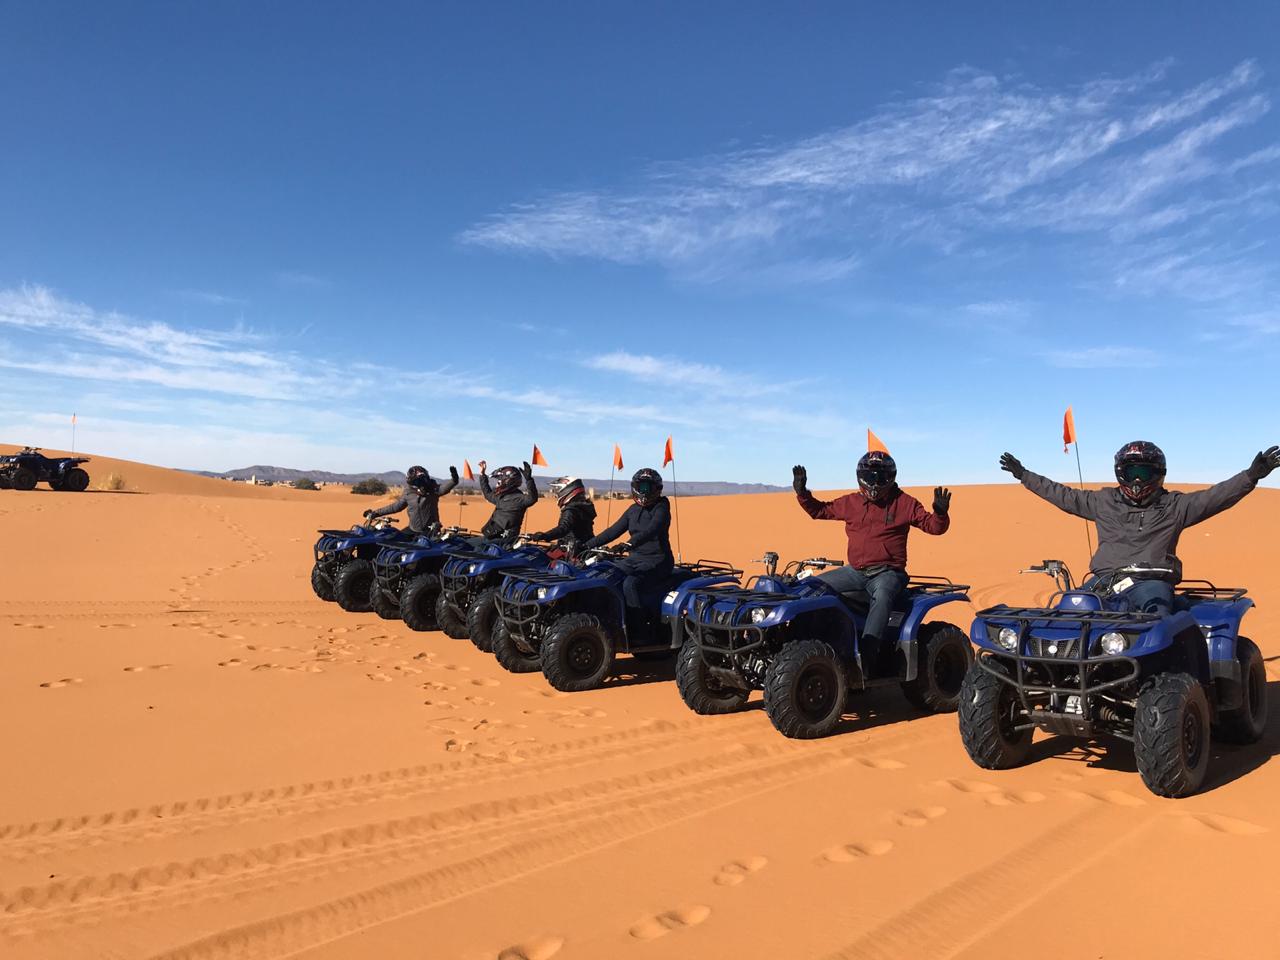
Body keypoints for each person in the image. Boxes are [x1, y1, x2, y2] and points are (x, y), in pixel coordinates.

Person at [1000, 442, 1280, 615]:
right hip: (1102, 582)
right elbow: (1061, 494)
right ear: (1120, 473)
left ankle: (1162, 681)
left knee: (1155, 619)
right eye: (1131, 472)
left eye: (1143, 473)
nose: (1136, 480)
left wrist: (1250, 476)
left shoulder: (1175, 506)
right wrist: (1025, 475)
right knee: (1068, 611)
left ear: (1157, 475)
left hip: (1151, 583)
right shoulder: (1103, 501)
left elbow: (1214, 498)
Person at [792, 452, 951, 656]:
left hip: (888, 573)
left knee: (883, 597)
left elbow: (933, 527)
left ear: (891, 477)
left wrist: (940, 513)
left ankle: (868, 655)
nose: (875, 484)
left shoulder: (904, 503)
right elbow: (819, 511)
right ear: (861, 477)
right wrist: (802, 493)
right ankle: (807, 640)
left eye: (880, 478)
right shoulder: (851, 503)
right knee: (812, 587)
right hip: (855, 571)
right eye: (870, 477)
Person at [581, 468, 672, 632]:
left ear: (657, 489)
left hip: (657, 560)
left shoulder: (662, 507)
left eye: (649, 487)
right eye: (641, 486)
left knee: (630, 583)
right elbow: (613, 531)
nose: (645, 491)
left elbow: (652, 529)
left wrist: (629, 544)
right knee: (606, 575)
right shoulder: (632, 510)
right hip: (634, 559)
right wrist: (587, 545)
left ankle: (639, 629)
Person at [364, 464, 458, 534]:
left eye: (424, 480)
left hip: (430, 532)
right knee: (394, 541)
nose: (422, 483)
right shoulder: (408, 492)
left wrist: (454, 480)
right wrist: (375, 513)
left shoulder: (433, 490)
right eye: (418, 481)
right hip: (413, 529)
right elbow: (396, 507)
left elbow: (444, 488)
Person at [528, 477, 597, 552]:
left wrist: (545, 535)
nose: (556, 494)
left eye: (558, 490)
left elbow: (563, 528)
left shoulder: (571, 510)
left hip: (572, 551)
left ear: (567, 490)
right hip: (584, 546)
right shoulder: (583, 506)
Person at [477, 460, 539, 543]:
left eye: (499, 480)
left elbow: (532, 498)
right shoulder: (501, 497)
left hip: (504, 541)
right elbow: (487, 494)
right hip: (491, 535)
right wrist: (482, 474)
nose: (497, 483)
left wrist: (529, 480)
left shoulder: (519, 498)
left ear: (507, 481)